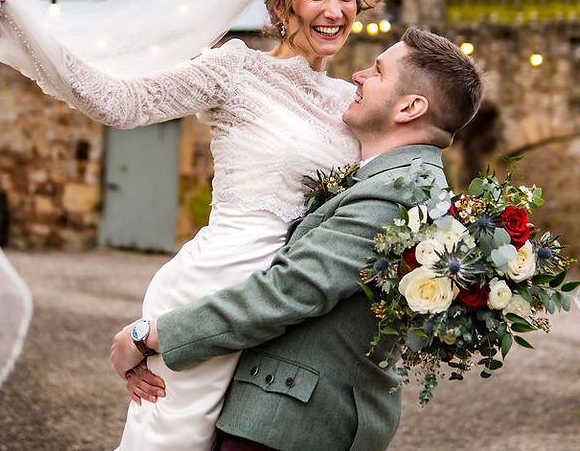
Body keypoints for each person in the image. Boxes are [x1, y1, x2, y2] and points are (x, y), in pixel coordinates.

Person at [0, 0, 388, 451]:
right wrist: (19, 22)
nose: (335, 11)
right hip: (216, 287)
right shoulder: (235, 69)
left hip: (286, 306)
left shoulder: (350, 101)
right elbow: (119, 102)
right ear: (280, 4)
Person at [110, 28, 484, 451]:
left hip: (288, 423)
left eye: (378, 71)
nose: (358, 76)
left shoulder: (397, 191)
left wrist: (150, 336)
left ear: (411, 107)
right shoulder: (397, 177)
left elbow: (290, 290)